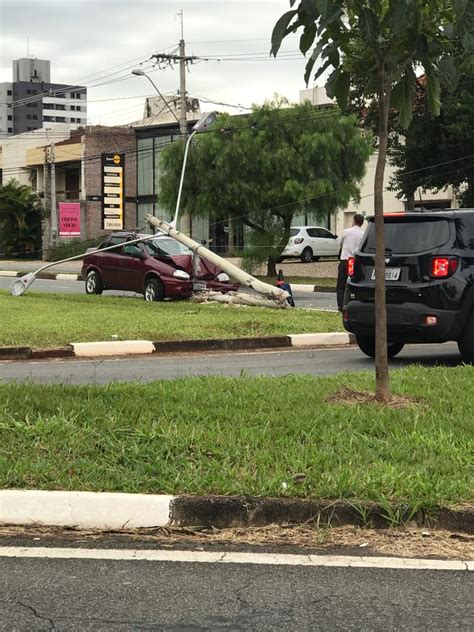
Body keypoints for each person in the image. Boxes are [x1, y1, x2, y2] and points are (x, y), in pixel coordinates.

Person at [337, 213, 365, 312]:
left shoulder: (346, 232)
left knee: (341, 285)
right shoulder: (363, 234)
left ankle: (341, 306)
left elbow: (340, 244)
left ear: (353, 221)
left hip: (346, 261)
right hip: (356, 261)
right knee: (354, 284)